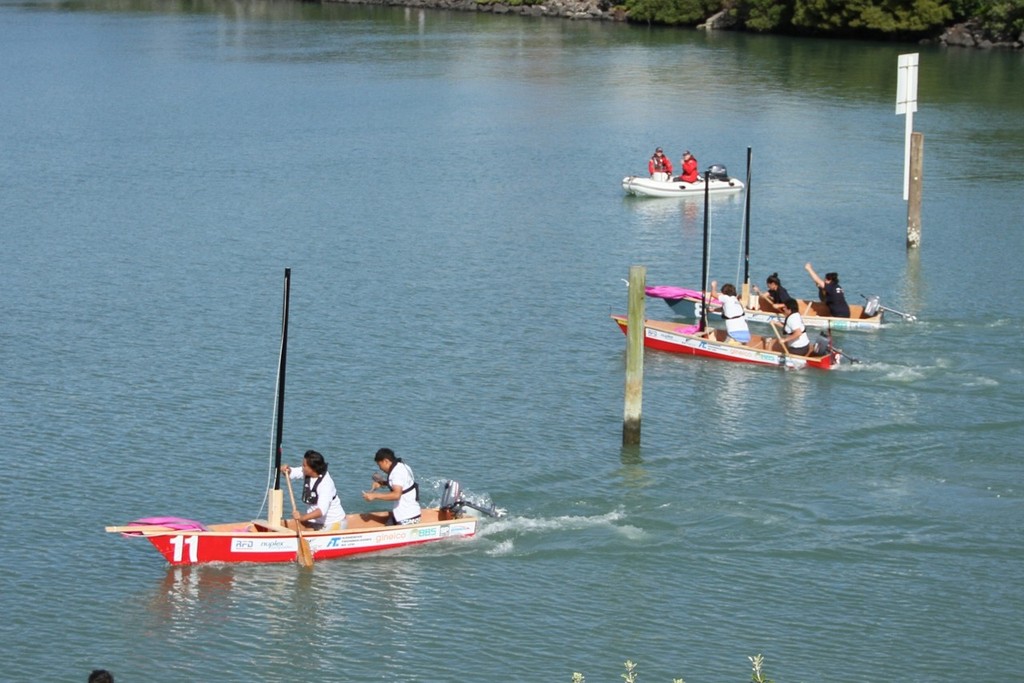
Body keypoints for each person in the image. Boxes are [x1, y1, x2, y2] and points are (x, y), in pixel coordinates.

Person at [280, 449, 347, 531]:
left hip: (333, 523)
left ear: (313, 469)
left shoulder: (326, 484)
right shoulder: (308, 472)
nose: (302, 467)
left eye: (304, 466)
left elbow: (321, 511)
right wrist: (286, 470)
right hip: (315, 522)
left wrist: (302, 517)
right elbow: (291, 473)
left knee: (310, 539)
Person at [362, 448, 421, 525]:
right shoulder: (402, 466)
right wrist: (382, 483)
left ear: (386, 461)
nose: (380, 468)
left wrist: (375, 496)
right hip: (409, 513)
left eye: (379, 465)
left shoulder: (396, 473)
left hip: (407, 517)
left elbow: (396, 495)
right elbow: (402, 484)